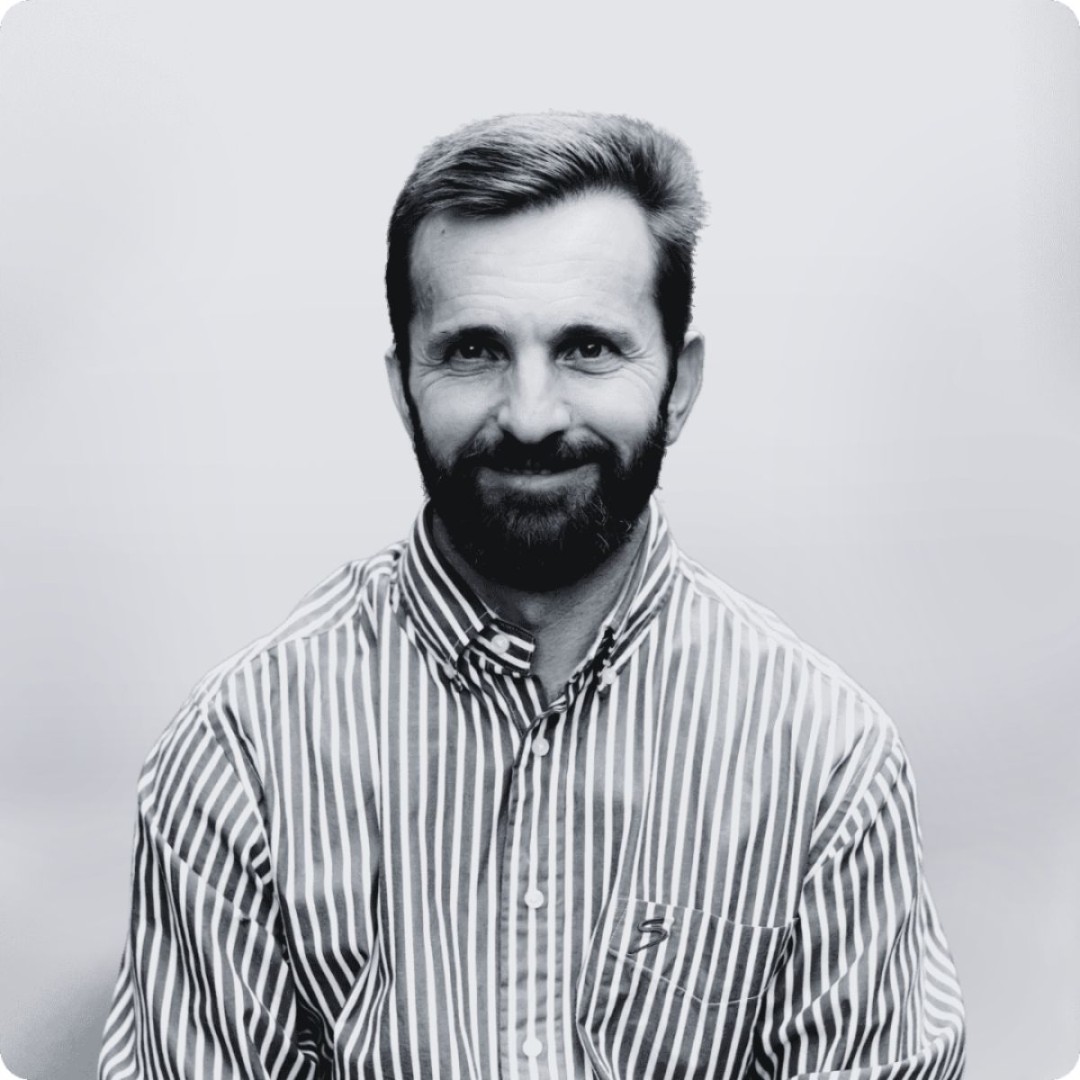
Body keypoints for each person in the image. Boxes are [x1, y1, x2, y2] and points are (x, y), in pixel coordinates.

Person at [98, 112, 966, 1080]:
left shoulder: (828, 769)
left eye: (590, 348)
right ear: (403, 386)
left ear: (681, 382)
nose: (532, 413)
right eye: (473, 351)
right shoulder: (239, 763)